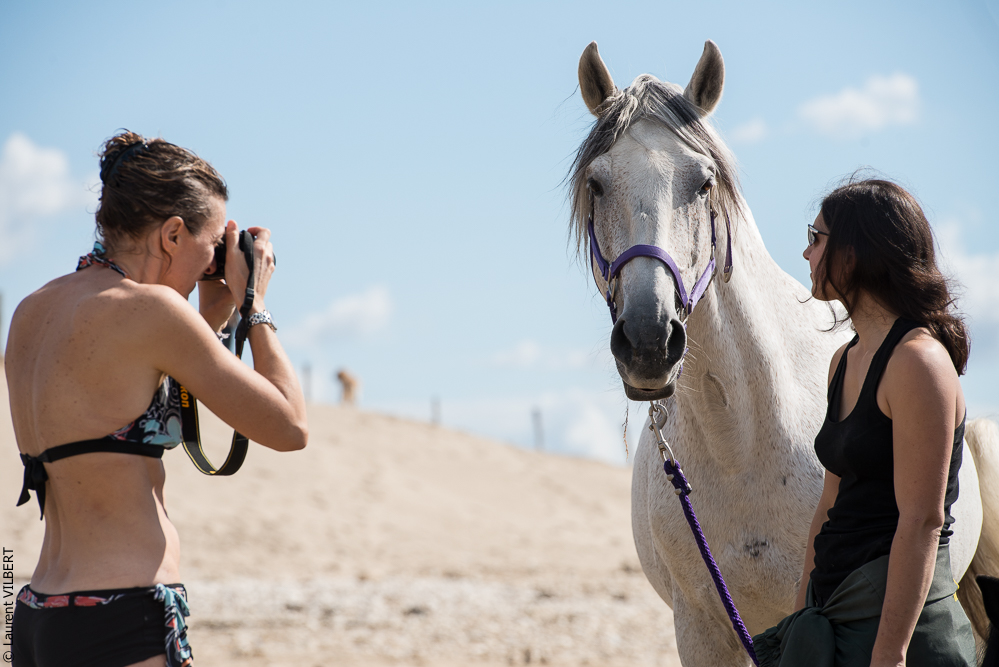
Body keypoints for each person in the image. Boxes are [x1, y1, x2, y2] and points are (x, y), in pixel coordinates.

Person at [6, 131, 308, 667]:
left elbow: (130, 397)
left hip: (38, 613)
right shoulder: (151, 313)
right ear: (172, 234)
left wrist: (211, 315)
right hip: (122, 614)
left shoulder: (32, 311)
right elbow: (290, 427)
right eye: (211, 245)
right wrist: (255, 305)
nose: (213, 261)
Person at [753, 178, 976, 666]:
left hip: (895, 632)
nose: (806, 252)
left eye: (816, 238)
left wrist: (890, 655)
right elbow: (831, 500)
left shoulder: (918, 363)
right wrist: (801, 614)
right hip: (831, 614)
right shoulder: (843, 360)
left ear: (852, 254)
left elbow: (922, 521)